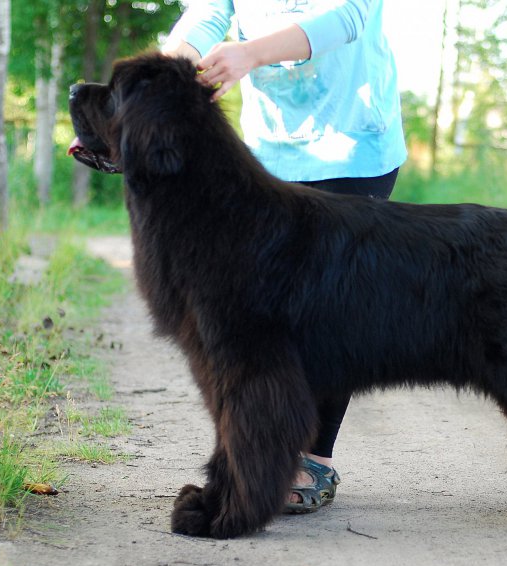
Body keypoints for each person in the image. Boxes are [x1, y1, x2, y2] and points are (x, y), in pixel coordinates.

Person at [163, 0, 407, 513]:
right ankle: (264, 454)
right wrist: (173, 66)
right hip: (269, 150)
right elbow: (207, 12)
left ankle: (314, 458)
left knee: (331, 312)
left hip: (352, 145)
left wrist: (248, 54)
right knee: (265, 318)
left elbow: (349, 17)